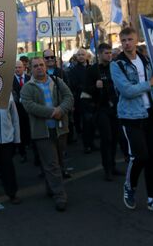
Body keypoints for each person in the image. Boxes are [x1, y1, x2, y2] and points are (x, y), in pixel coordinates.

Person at [111, 27, 153, 216]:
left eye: (130, 39)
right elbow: (127, 91)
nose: (127, 43)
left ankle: (152, 199)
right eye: (123, 41)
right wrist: (150, 83)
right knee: (140, 156)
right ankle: (130, 187)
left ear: (137, 40)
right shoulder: (117, 64)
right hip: (130, 116)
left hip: (151, 114)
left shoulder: (146, 61)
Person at [20, 57, 73, 211]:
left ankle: (51, 188)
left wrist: (61, 110)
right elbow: (30, 106)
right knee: (52, 164)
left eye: (41, 65)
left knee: (59, 162)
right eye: (35, 66)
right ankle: (60, 196)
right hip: (42, 132)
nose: (39, 68)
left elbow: (69, 97)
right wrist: (52, 112)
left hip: (60, 129)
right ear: (30, 68)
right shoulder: (27, 88)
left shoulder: (56, 81)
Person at [83, 43, 124, 181]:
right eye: (106, 53)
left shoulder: (115, 67)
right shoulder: (92, 70)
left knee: (114, 138)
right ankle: (107, 169)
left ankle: (112, 165)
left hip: (115, 107)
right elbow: (85, 90)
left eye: (110, 53)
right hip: (101, 108)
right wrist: (95, 87)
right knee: (106, 138)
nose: (109, 55)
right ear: (99, 54)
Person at [69, 48, 97, 153]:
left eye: (82, 54)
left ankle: (92, 143)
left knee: (93, 122)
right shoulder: (73, 70)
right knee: (86, 123)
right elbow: (75, 85)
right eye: (79, 54)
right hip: (82, 99)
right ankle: (87, 145)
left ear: (87, 56)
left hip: (94, 98)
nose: (81, 56)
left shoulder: (92, 68)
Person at [13, 60, 31, 163]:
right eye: (16, 67)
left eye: (19, 67)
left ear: (24, 68)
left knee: (29, 130)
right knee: (20, 132)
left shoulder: (29, 79)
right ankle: (22, 152)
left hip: (29, 110)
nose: (18, 69)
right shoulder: (10, 81)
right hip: (17, 111)